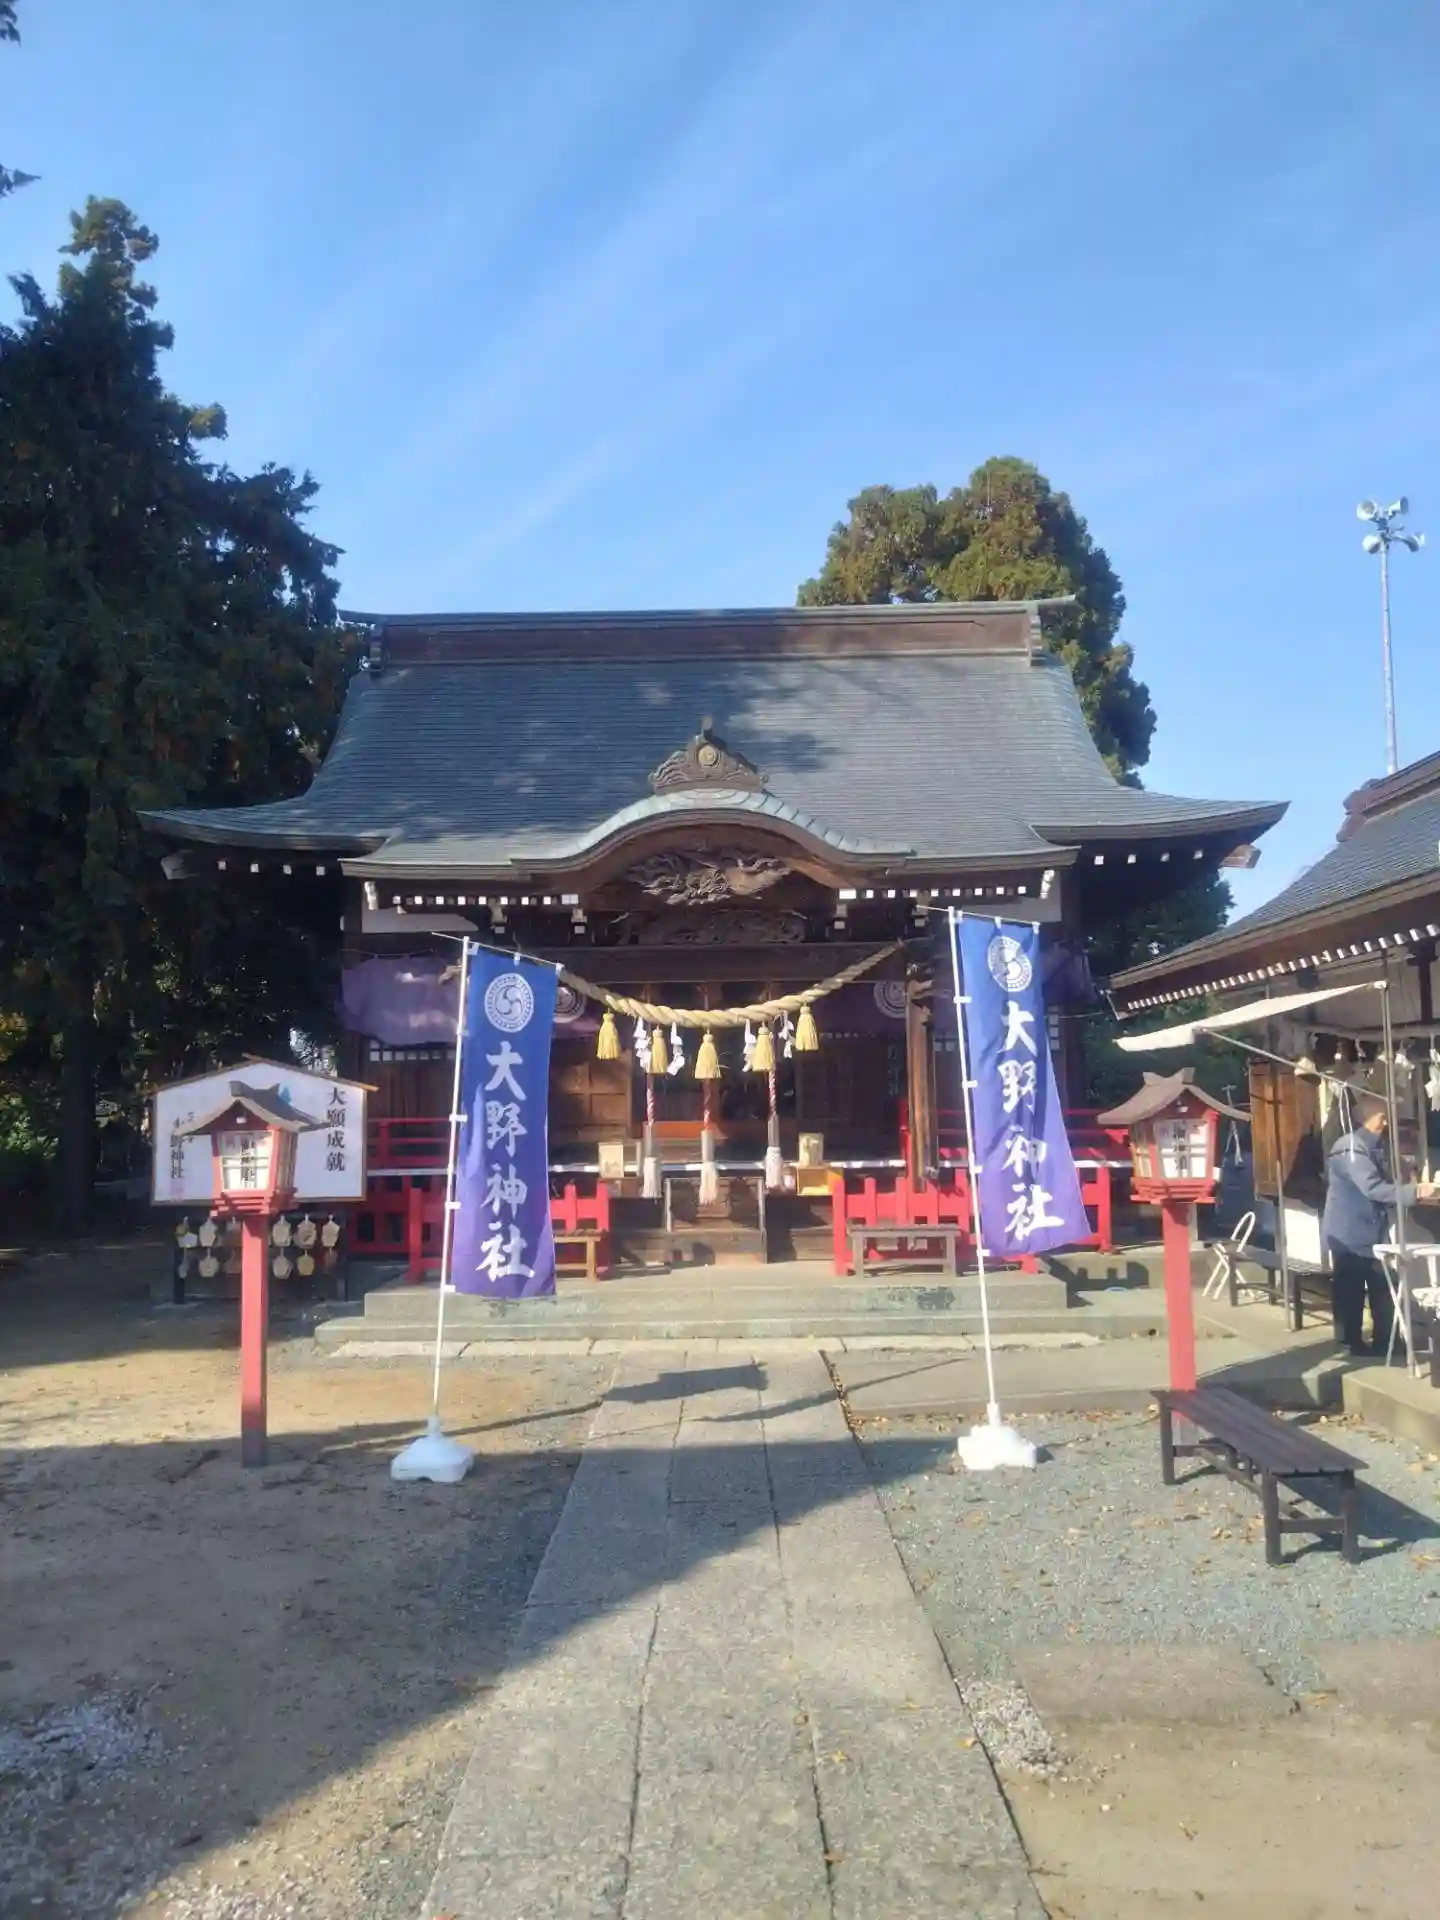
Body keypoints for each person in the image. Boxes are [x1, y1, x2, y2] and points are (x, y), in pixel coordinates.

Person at [1321, 1094, 1434, 1355]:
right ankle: (1351, 1342)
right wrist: (1414, 1192)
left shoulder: (1373, 1145)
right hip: (1349, 1231)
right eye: (1382, 1117)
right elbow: (1372, 1188)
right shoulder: (1351, 1148)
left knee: (1381, 1285)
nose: (1385, 1123)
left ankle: (1385, 1341)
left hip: (1370, 1229)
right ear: (1368, 1118)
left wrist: (1407, 1179)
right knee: (1352, 1289)